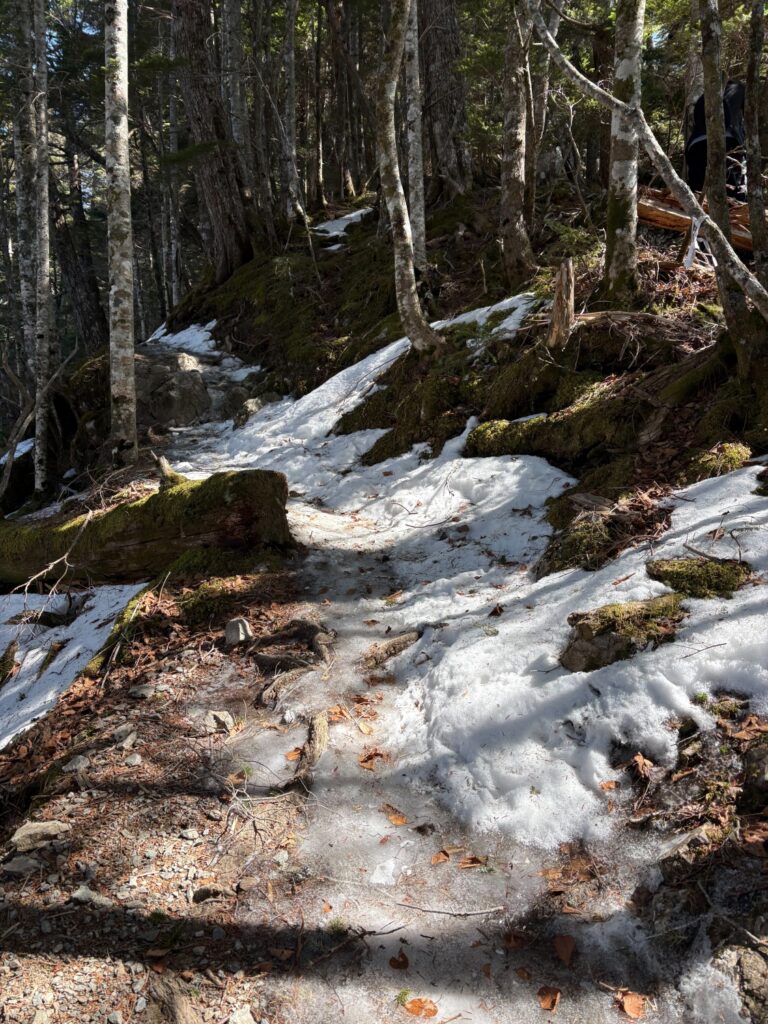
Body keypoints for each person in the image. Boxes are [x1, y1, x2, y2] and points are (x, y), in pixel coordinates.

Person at [685, 79, 746, 200]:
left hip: (695, 143)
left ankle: (693, 214)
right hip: (728, 140)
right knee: (734, 186)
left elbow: (696, 117)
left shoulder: (708, 94)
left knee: (697, 185)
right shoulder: (740, 90)